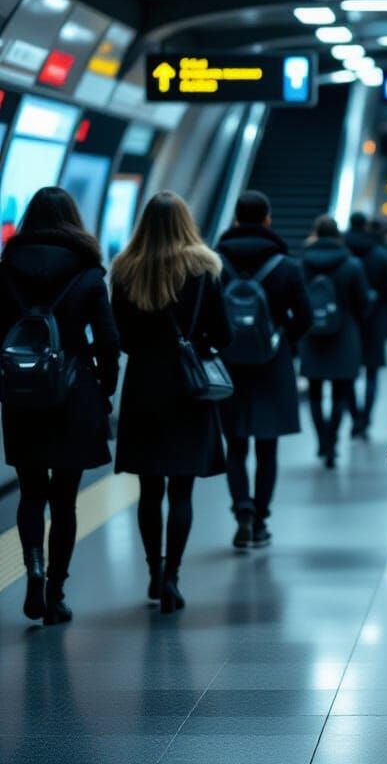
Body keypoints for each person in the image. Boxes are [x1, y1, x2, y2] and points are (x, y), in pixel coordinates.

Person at [0, 188, 119, 625]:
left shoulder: (6, 268)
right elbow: (108, 341)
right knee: (65, 501)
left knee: (31, 492)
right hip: (74, 392)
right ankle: (56, 592)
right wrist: (105, 386)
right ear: (73, 220)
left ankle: (32, 571)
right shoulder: (88, 273)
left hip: (23, 394)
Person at [112, 191, 231, 614]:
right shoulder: (204, 267)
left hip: (144, 387)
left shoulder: (125, 269)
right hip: (189, 391)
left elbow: (120, 336)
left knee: (148, 489)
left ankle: (152, 570)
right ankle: (172, 577)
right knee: (182, 490)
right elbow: (222, 334)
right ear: (186, 221)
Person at [217, 191, 312, 549]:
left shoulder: (215, 262)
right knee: (267, 447)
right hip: (272, 362)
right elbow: (303, 317)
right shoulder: (286, 266)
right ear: (268, 219)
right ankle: (260, 520)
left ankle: (241, 510)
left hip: (229, 365)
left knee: (235, 444)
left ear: (237, 219)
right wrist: (283, 339)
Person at [299, 215, 373, 467]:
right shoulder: (352, 264)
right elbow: (363, 303)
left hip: (312, 336)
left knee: (316, 392)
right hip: (345, 335)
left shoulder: (302, 264)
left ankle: (322, 440)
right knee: (341, 392)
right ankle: (332, 440)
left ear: (315, 234)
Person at [346, 211, 387, 436]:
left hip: (348, 322)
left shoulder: (343, 252)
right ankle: (366, 420)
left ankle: (354, 416)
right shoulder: (381, 254)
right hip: (376, 321)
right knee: (371, 373)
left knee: (347, 374)